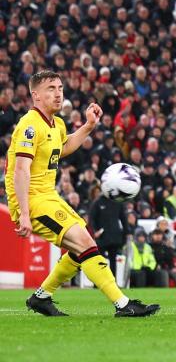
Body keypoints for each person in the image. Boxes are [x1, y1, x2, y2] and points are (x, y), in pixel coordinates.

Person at [7, 70, 159, 317]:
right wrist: (23, 212)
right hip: (32, 200)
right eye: (51, 89)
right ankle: (122, 304)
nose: (58, 94)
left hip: (48, 196)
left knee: (82, 247)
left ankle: (41, 297)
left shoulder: (56, 123)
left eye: (60, 88)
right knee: (85, 242)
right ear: (35, 95)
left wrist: (88, 126)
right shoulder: (29, 126)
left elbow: (63, 147)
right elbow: (21, 171)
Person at [87, 190, 128, 275]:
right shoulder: (98, 202)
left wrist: (127, 232)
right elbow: (91, 219)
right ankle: (99, 282)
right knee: (100, 260)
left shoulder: (117, 202)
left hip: (114, 235)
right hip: (102, 236)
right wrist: (95, 231)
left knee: (113, 260)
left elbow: (123, 218)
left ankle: (112, 282)